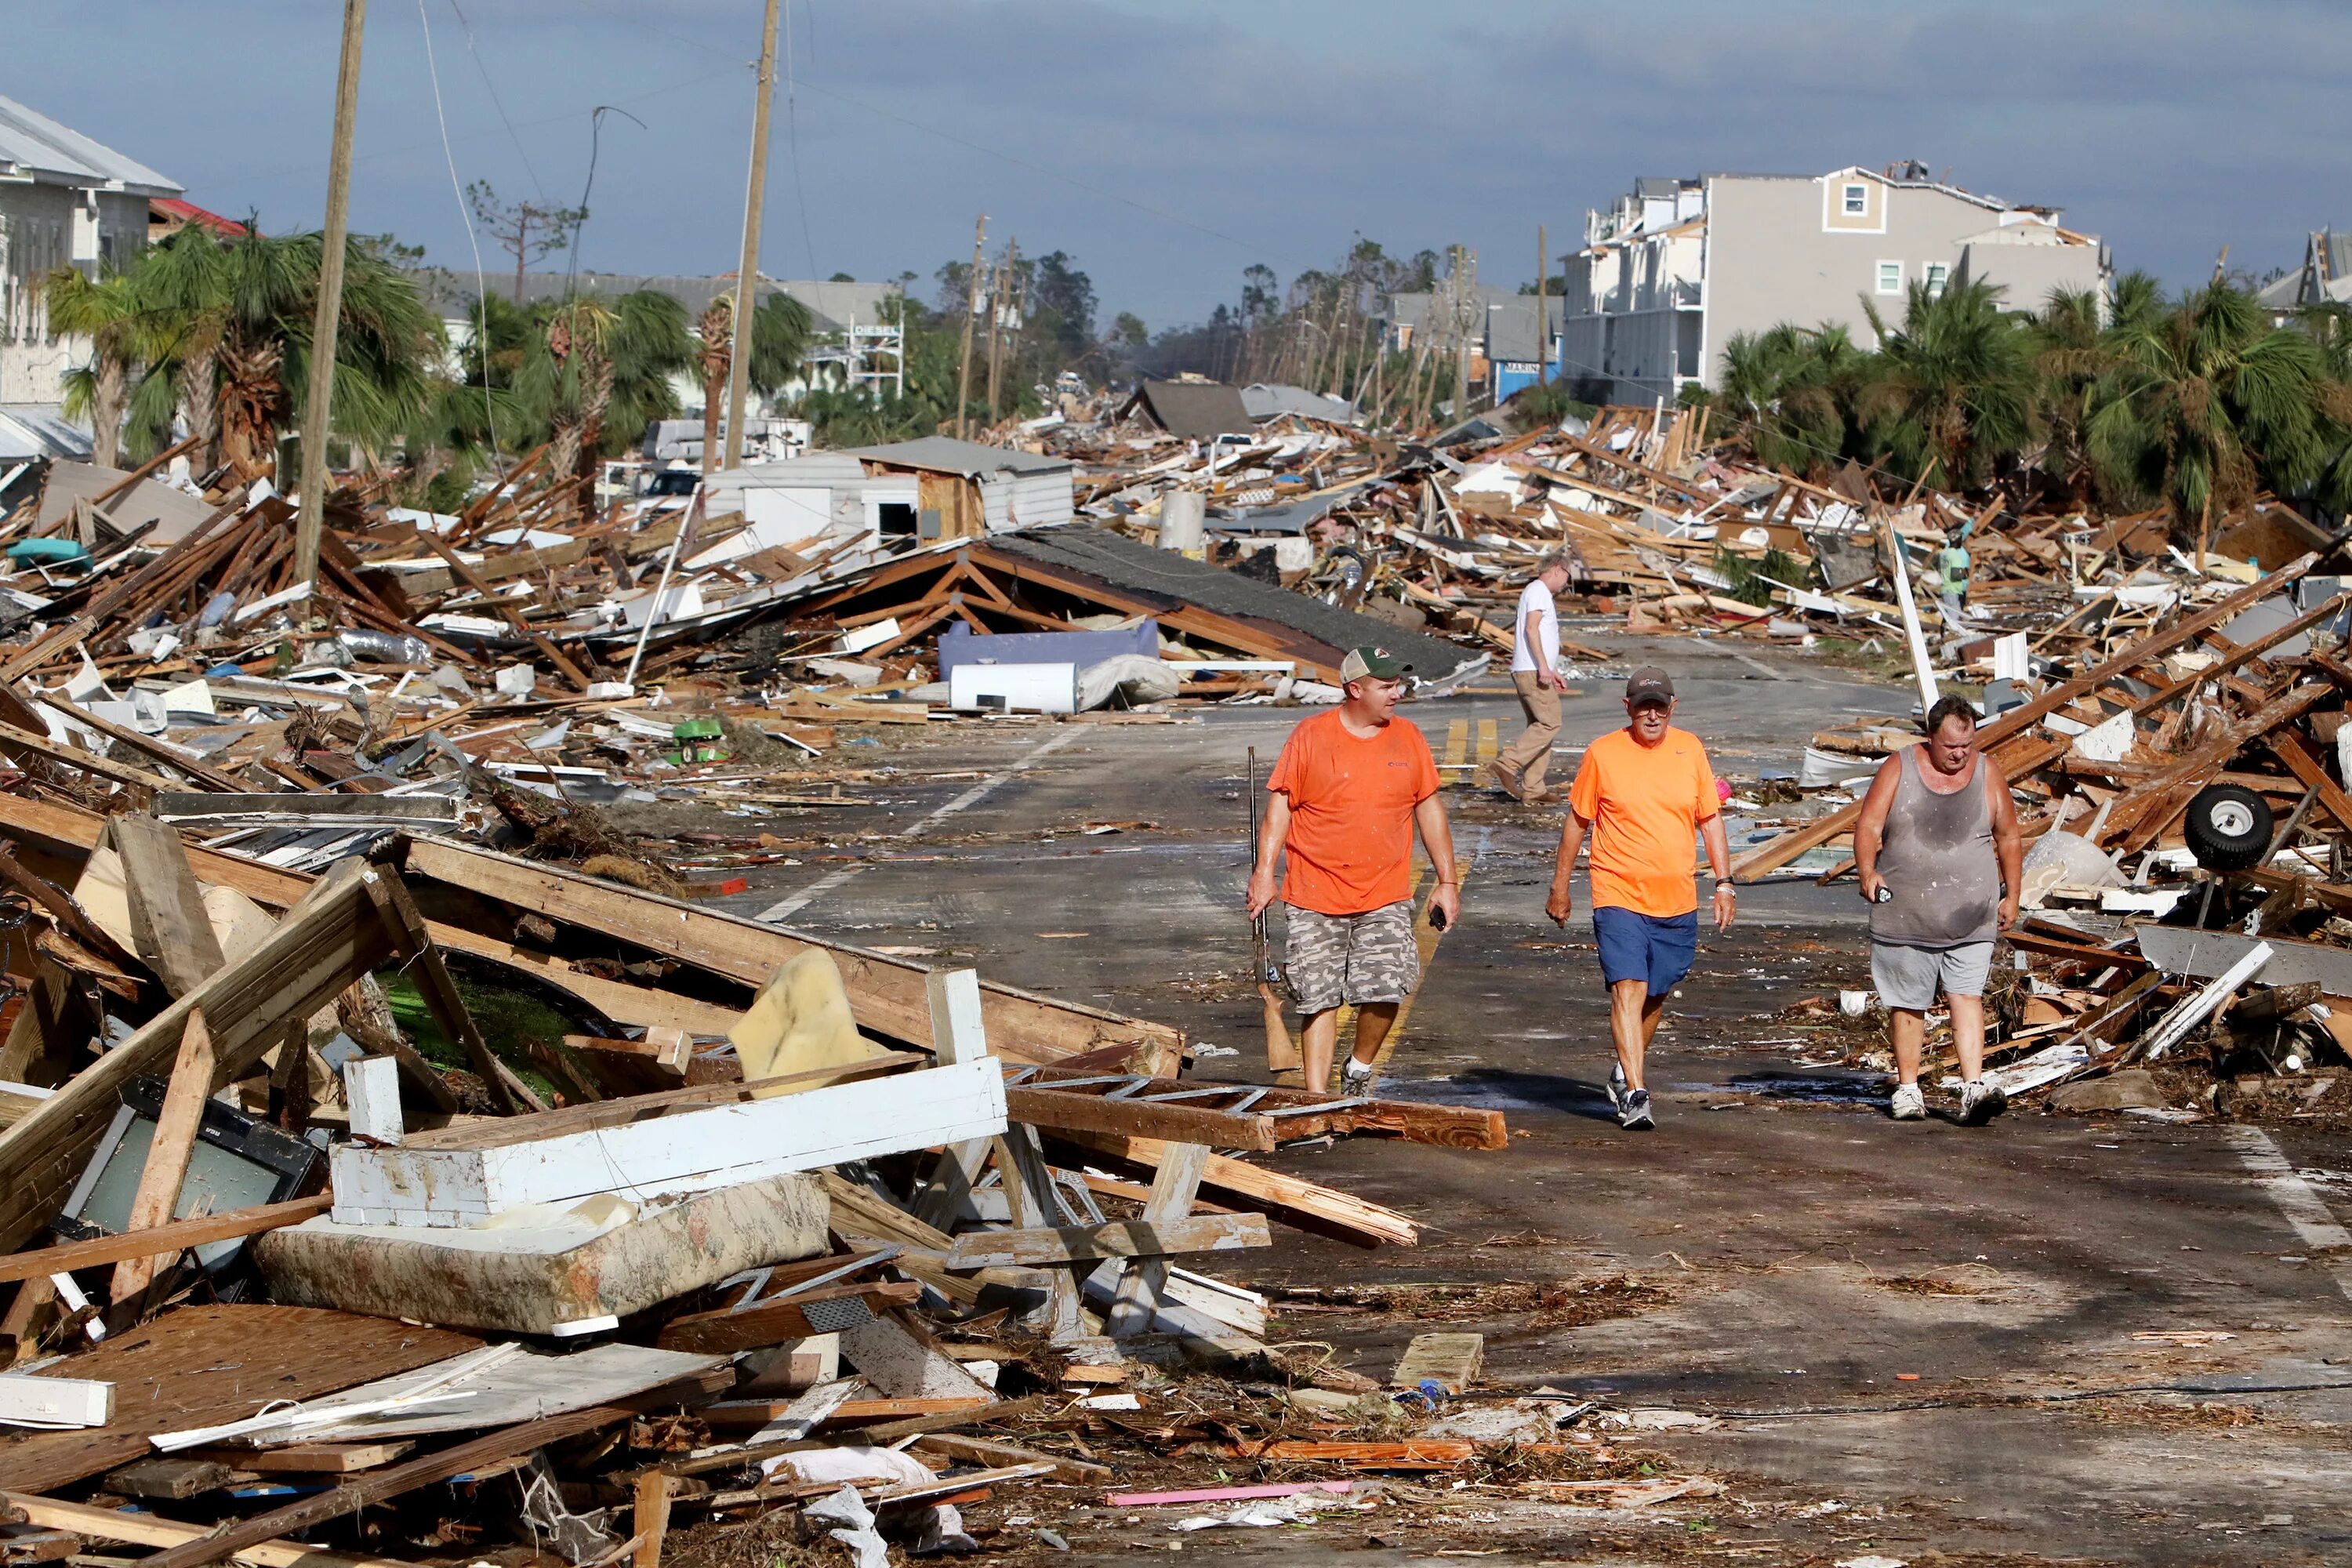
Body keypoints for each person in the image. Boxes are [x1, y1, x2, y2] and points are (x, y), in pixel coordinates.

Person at [1247, 646, 1459, 1094]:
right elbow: (1279, 808)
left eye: (1397, 684)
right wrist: (1265, 873)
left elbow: (1429, 809)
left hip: (1384, 892)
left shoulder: (1409, 738)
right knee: (1318, 999)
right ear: (1354, 689)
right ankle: (1317, 1100)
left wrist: (1448, 881)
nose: (1396, 693)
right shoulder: (1310, 737)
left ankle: (1359, 1068)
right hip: (1314, 891)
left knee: (1385, 990)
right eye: (1386, 686)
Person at [1544, 668, 1733, 1130]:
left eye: (1660, 705)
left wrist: (1725, 882)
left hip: (1676, 898)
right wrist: (1561, 886)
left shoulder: (1691, 750)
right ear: (1627, 707)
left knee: (1655, 992)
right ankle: (1635, 1093)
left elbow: (1710, 820)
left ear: (1674, 707)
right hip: (1617, 891)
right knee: (1627, 987)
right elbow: (1577, 823)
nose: (1652, 714)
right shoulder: (1603, 754)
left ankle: (1623, 1071)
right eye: (1643, 705)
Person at [1854, 693, 2023, 1125]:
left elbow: (2008, 837)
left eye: (1966, 746)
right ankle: (1909, 1090)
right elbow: (1869, 825)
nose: (1960, 755)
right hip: (1907, 912)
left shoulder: (1987, 773)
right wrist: (1867, 872)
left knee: (1967, 995)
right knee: (1909, 1002)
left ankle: (1972, 1088)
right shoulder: (1900, 768)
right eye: (1951, 747)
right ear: (1930, 738)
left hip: (1971, 913)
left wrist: (2013, 894)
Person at [1491, 553, 1573, 803]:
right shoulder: (1539, 591)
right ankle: (1507, 763)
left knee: (1540, 727)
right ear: (1559, 570)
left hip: (1530, 668)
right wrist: (1543, 668)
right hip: (1531, 669)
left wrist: (1551, 668)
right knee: (1549, 723)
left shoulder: (1535, 591)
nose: (1565, 585)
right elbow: (1531, 628)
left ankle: (1534, 788)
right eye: (1567, 578)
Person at [1935, 531, 1972, 625]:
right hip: (1953, 590)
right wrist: (1965, 574)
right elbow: (1955, 575)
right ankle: (1950, 636)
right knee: (1954, 619)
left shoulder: (1944, 553)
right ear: (1957, 541)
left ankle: (1944, 635)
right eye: (1960, 540)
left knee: (1947, 617)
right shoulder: (1955, 555)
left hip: (1945, 589)